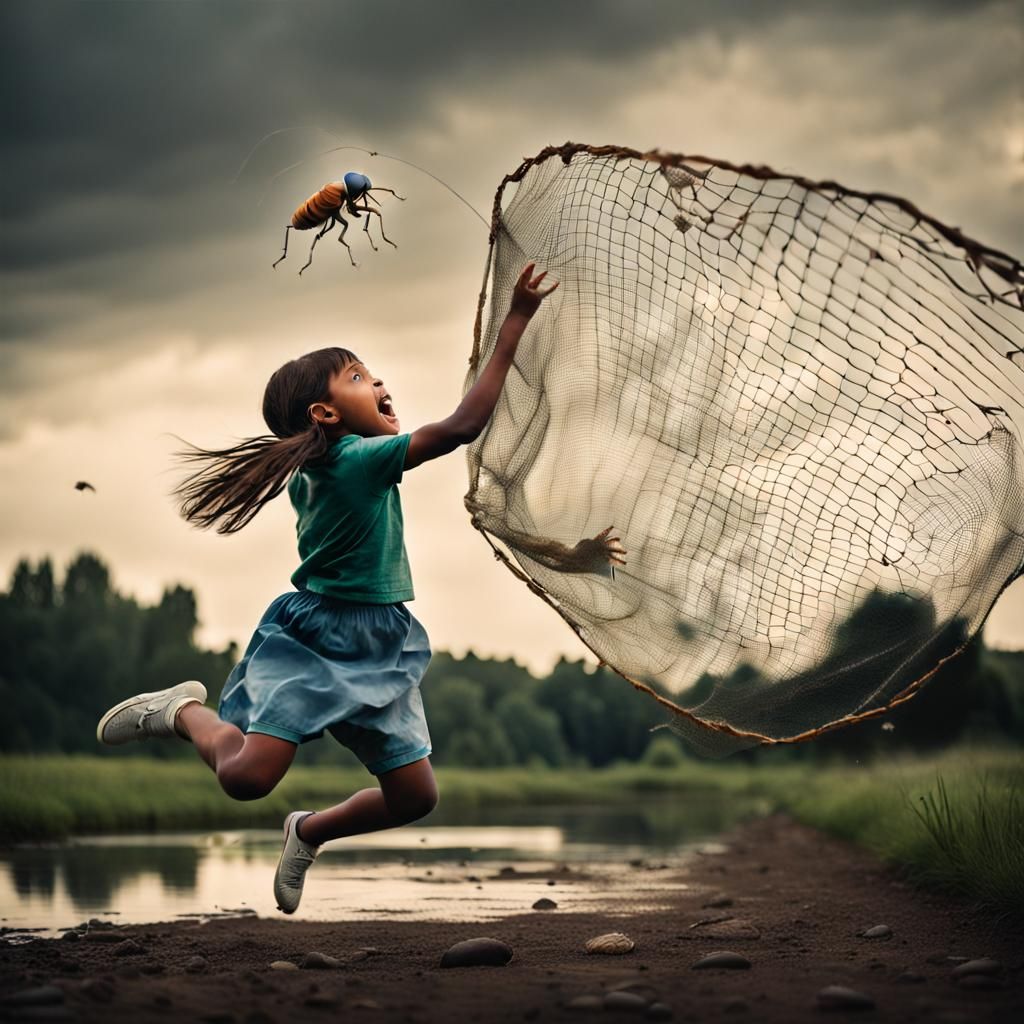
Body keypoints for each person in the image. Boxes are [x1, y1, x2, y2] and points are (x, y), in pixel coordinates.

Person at [94, 264, 568, 915]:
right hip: (317, 642)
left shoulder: (332, 465)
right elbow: (461, 427)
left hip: (380, 642)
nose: (377, 383)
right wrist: (514, 320)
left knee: (415, 797)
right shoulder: (353, 463)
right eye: (357, 378)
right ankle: (180, 712)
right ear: (324, 413)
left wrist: (377, 422)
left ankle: (308, 830)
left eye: (372, 374)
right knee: (246, 778)